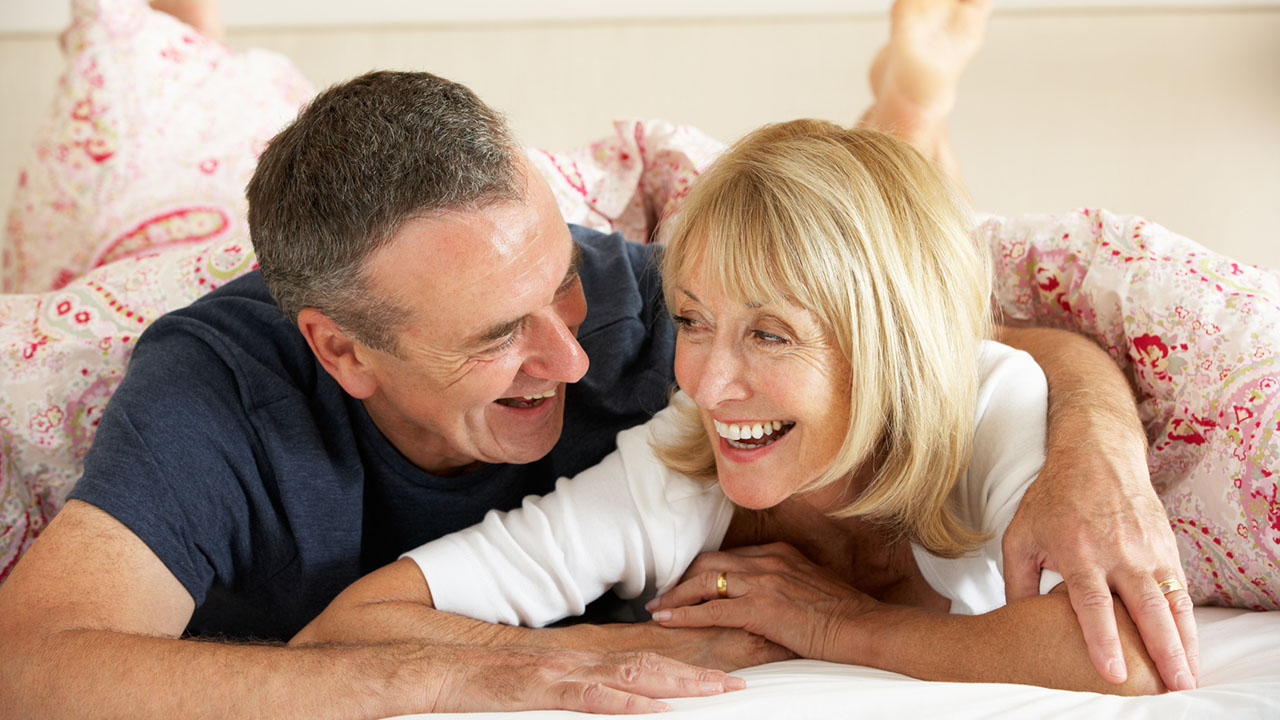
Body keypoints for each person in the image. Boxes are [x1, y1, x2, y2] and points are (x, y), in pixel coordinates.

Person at [0, 0, 1196, 716]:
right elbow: (35, 668)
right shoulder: (220, 394)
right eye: (496, 334)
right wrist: (483, 674)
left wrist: (1091, 457)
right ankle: (167, 42)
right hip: (168, 253)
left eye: (557, 282)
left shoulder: (642, 313)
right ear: (340, 352)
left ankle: (909, 116)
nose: (577, 358)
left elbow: (937, 341)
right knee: (140, 157)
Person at [296, 118, 1163, 694]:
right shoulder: (676, 463)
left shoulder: (988, 406)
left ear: (887, 347)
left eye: (772, 335)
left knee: (914, 198)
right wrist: (609, 650)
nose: (707, 386)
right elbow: (351, 631)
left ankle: (913, 106)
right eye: (694, 322)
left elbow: (1130, 657)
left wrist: (835, 626)